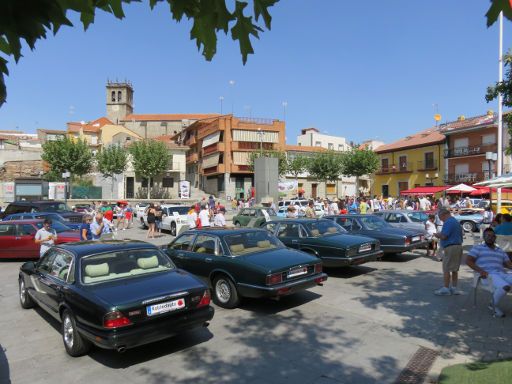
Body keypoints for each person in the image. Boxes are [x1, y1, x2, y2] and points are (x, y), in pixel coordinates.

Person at [467, 227, 512, 317]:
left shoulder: (500, 251)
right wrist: (480, 271)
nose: (490, 237)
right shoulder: (478, 248)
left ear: (495, 238)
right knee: (505, 287)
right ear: (484, 237)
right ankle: (492, 305)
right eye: (488, 235)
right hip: (487, 274)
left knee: (505, 282)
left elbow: (509, 265)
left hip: (502, 274)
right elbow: (468, 261)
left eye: (492, 236)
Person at [434, 208, 464, 295]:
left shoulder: (448, 222)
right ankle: (454, 288)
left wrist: (437, 235)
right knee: (454, 269)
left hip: (451, 247)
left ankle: (446, 288)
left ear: (444, 215)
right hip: (458, 246)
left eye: (440, 217)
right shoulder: (454, 221)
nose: (441, 220)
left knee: (446, 268)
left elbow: (444, 236)